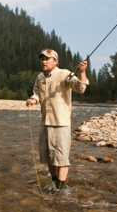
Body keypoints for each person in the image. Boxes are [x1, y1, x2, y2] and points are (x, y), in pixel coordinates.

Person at [26, 48, 88, 191]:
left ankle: (61, 186)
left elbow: (81, 88)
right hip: (45, 122)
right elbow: (36, 92)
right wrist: (33, 99)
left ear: (56, 61)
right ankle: (54, 183)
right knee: (48, 157)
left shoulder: (64, 74)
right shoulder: (40, 77)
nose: (43, 61)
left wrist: (82, 72)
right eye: (42, 59)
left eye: (47, 59)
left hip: (60, 123)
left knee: (61, 157)